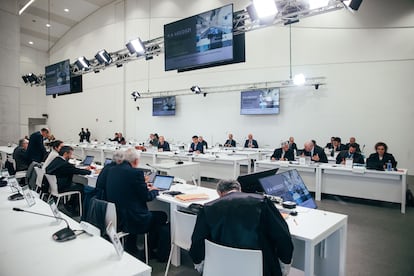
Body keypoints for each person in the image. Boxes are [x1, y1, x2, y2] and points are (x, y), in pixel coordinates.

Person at [189, 180, 293, 276]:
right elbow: (283, 236)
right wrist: (285, 262)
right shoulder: (262, 202)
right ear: (240, 190)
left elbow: (197, 240)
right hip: (261, 267)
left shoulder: (207, 208)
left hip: (220, 267)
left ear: (220, 193)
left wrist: (200, 263)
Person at [106, 148, 170, 261]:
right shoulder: (136, 173)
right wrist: (155, 190)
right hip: (133, 218)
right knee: (162, 216)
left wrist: (142, 184)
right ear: (136, 161)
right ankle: (150, 251)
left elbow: (126, 188)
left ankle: (132, 245)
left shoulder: (112, 170)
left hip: (116, 215)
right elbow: (146, 197)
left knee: (148, 213)